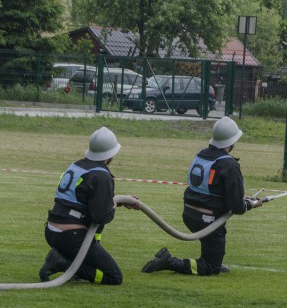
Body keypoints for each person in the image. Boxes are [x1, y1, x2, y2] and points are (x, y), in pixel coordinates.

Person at [141, 117, 261, 276]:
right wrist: (249, 204)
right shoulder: (229, 165)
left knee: (212, 256)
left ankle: (211, 260)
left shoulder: (202, 155)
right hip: (209, 219)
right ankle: (170, 261)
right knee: (211, 268)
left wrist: (241, 198)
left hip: (191, 214)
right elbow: (236, 207)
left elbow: (211, 188)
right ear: (232, 142)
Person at [38, 127, 127, 285]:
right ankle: (64, 263)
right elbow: (101, 216)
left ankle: (65, 259)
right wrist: (112, 207)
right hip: (72, 237)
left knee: (90, 259)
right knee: (114, 277)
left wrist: (115, 201)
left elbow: (81, 199)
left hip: (52, 231)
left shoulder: (76, 166)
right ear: (111, 154)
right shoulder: (102, 176)